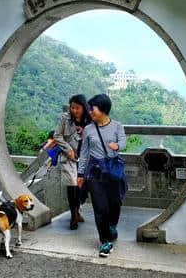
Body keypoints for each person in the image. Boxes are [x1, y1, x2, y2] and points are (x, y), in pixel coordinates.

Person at [77, 94, 127, 257]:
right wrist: (80, 173)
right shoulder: (89, 130)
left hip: (112, 171)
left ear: (103, 109)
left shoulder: (117, 126)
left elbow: (123, 143)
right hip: (95, 172)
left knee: (115, 203)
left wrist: (117, 146)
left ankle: (112, 225)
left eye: (93, 108)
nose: (90, 111)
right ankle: (105, 241)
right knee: (100, 207)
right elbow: (84, 153)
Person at [53, 94, 91, 230]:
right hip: (69, 157)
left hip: (85, 158)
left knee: (81, 187)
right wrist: (68, 150)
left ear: (83, 107)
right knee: (72, 185)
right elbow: (57, 135)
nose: (74, 110)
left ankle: (77, 211)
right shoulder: (65, 118)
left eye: (77, 108)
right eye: (72, 107)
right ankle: (74, 216)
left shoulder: (89, 119)